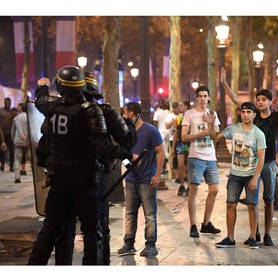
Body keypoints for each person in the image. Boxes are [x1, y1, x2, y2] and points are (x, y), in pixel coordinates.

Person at [28, 65, 132, 265]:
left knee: (52, 227)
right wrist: (124, 153)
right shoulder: (92, 111)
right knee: (93, 230)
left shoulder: (52, 108)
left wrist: (42, 87)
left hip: (59, 179)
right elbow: (104, 145)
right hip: (86, 180)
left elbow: (41, 102)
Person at [221, 67, 278, 246]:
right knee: (253, 202)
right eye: (258, 100)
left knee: (269, 200)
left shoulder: (275, 117)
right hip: (251, 166)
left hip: (268, 164)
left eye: (263, 100)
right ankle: (255, 234)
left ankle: (267, 234)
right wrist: (224, 84)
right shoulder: (252, 116)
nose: (259, 102)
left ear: (270, 102)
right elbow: (236, 100)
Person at [207, 102, 266, 249]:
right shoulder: (233, 129)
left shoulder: (259, 134)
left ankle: (253, 237)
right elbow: (215, 137)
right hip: (235, 175)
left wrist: (255, 178)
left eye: (248, 112)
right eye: (243, 111)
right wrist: (210, 124)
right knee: (230, 204)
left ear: (254, 114)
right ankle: (230, 238)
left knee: (252, 205)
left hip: (251, 175)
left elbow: (261, 158)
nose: (245, 114)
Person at [118, 101, 165, 257]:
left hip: (146, 180)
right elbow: (124, 153)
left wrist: (157, 175)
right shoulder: (126, 132)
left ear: (132, 113)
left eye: (125, 113)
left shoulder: (151, 130)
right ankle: (128, 243)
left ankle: (151, 245)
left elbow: (161, 152)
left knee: (149, 214)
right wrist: (127, 164)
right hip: (131, 179)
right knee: (130, 213)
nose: (123, 116)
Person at [181, 85, 221, 238]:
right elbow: (184, 137)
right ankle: (193, 225)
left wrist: (210, 124)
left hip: (210, 157)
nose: (203, 99)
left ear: (209, 98)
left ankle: (206, 224)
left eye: (206, 96)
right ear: (196, 98)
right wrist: (199, 134)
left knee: (214, 190)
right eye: (201, 96)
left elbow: (215, 137)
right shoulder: (189, 114)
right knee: (194, 189)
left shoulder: (213, 114)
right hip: (195, 156)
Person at [171, 99, 190, 196]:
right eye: (179, 105)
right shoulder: (178, 118)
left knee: (190, 166)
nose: (179, 107)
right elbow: (175, 133)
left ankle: (189, 186)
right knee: (180, 165)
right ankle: (182, 184)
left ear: (186, 106)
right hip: (180, 144)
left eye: (181, 105)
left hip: (191, 144)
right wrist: (173, 148)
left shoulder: (192, 117)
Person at [11, 103, 29, 183]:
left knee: (17, 159)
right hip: (27, 142)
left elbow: (13, 132)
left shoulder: (16, 118)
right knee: (33, 158)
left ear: (21, 108)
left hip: (18, 141)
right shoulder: (28, 117)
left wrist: (13, 140)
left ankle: (17, 177)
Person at [0, 97, 17, 172]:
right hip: (1, 133)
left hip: (10, 133)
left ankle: (11, 166)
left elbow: (16, 122)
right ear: (4, 103)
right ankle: (2, 164)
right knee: (1, 150)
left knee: (11, 150)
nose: (7, 103)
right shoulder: (1, 111)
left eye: (8, 102)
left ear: (10, 103)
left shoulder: (13, 112)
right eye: (6, 102)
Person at [165, 101, 180, 181]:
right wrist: (173, 121)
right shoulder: (170, 116)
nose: (178, 109)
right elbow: (167, 126)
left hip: (181, 139)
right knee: (175, 158)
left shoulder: (182, 115)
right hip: (172, 138)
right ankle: (176, 176)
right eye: (177, 108)